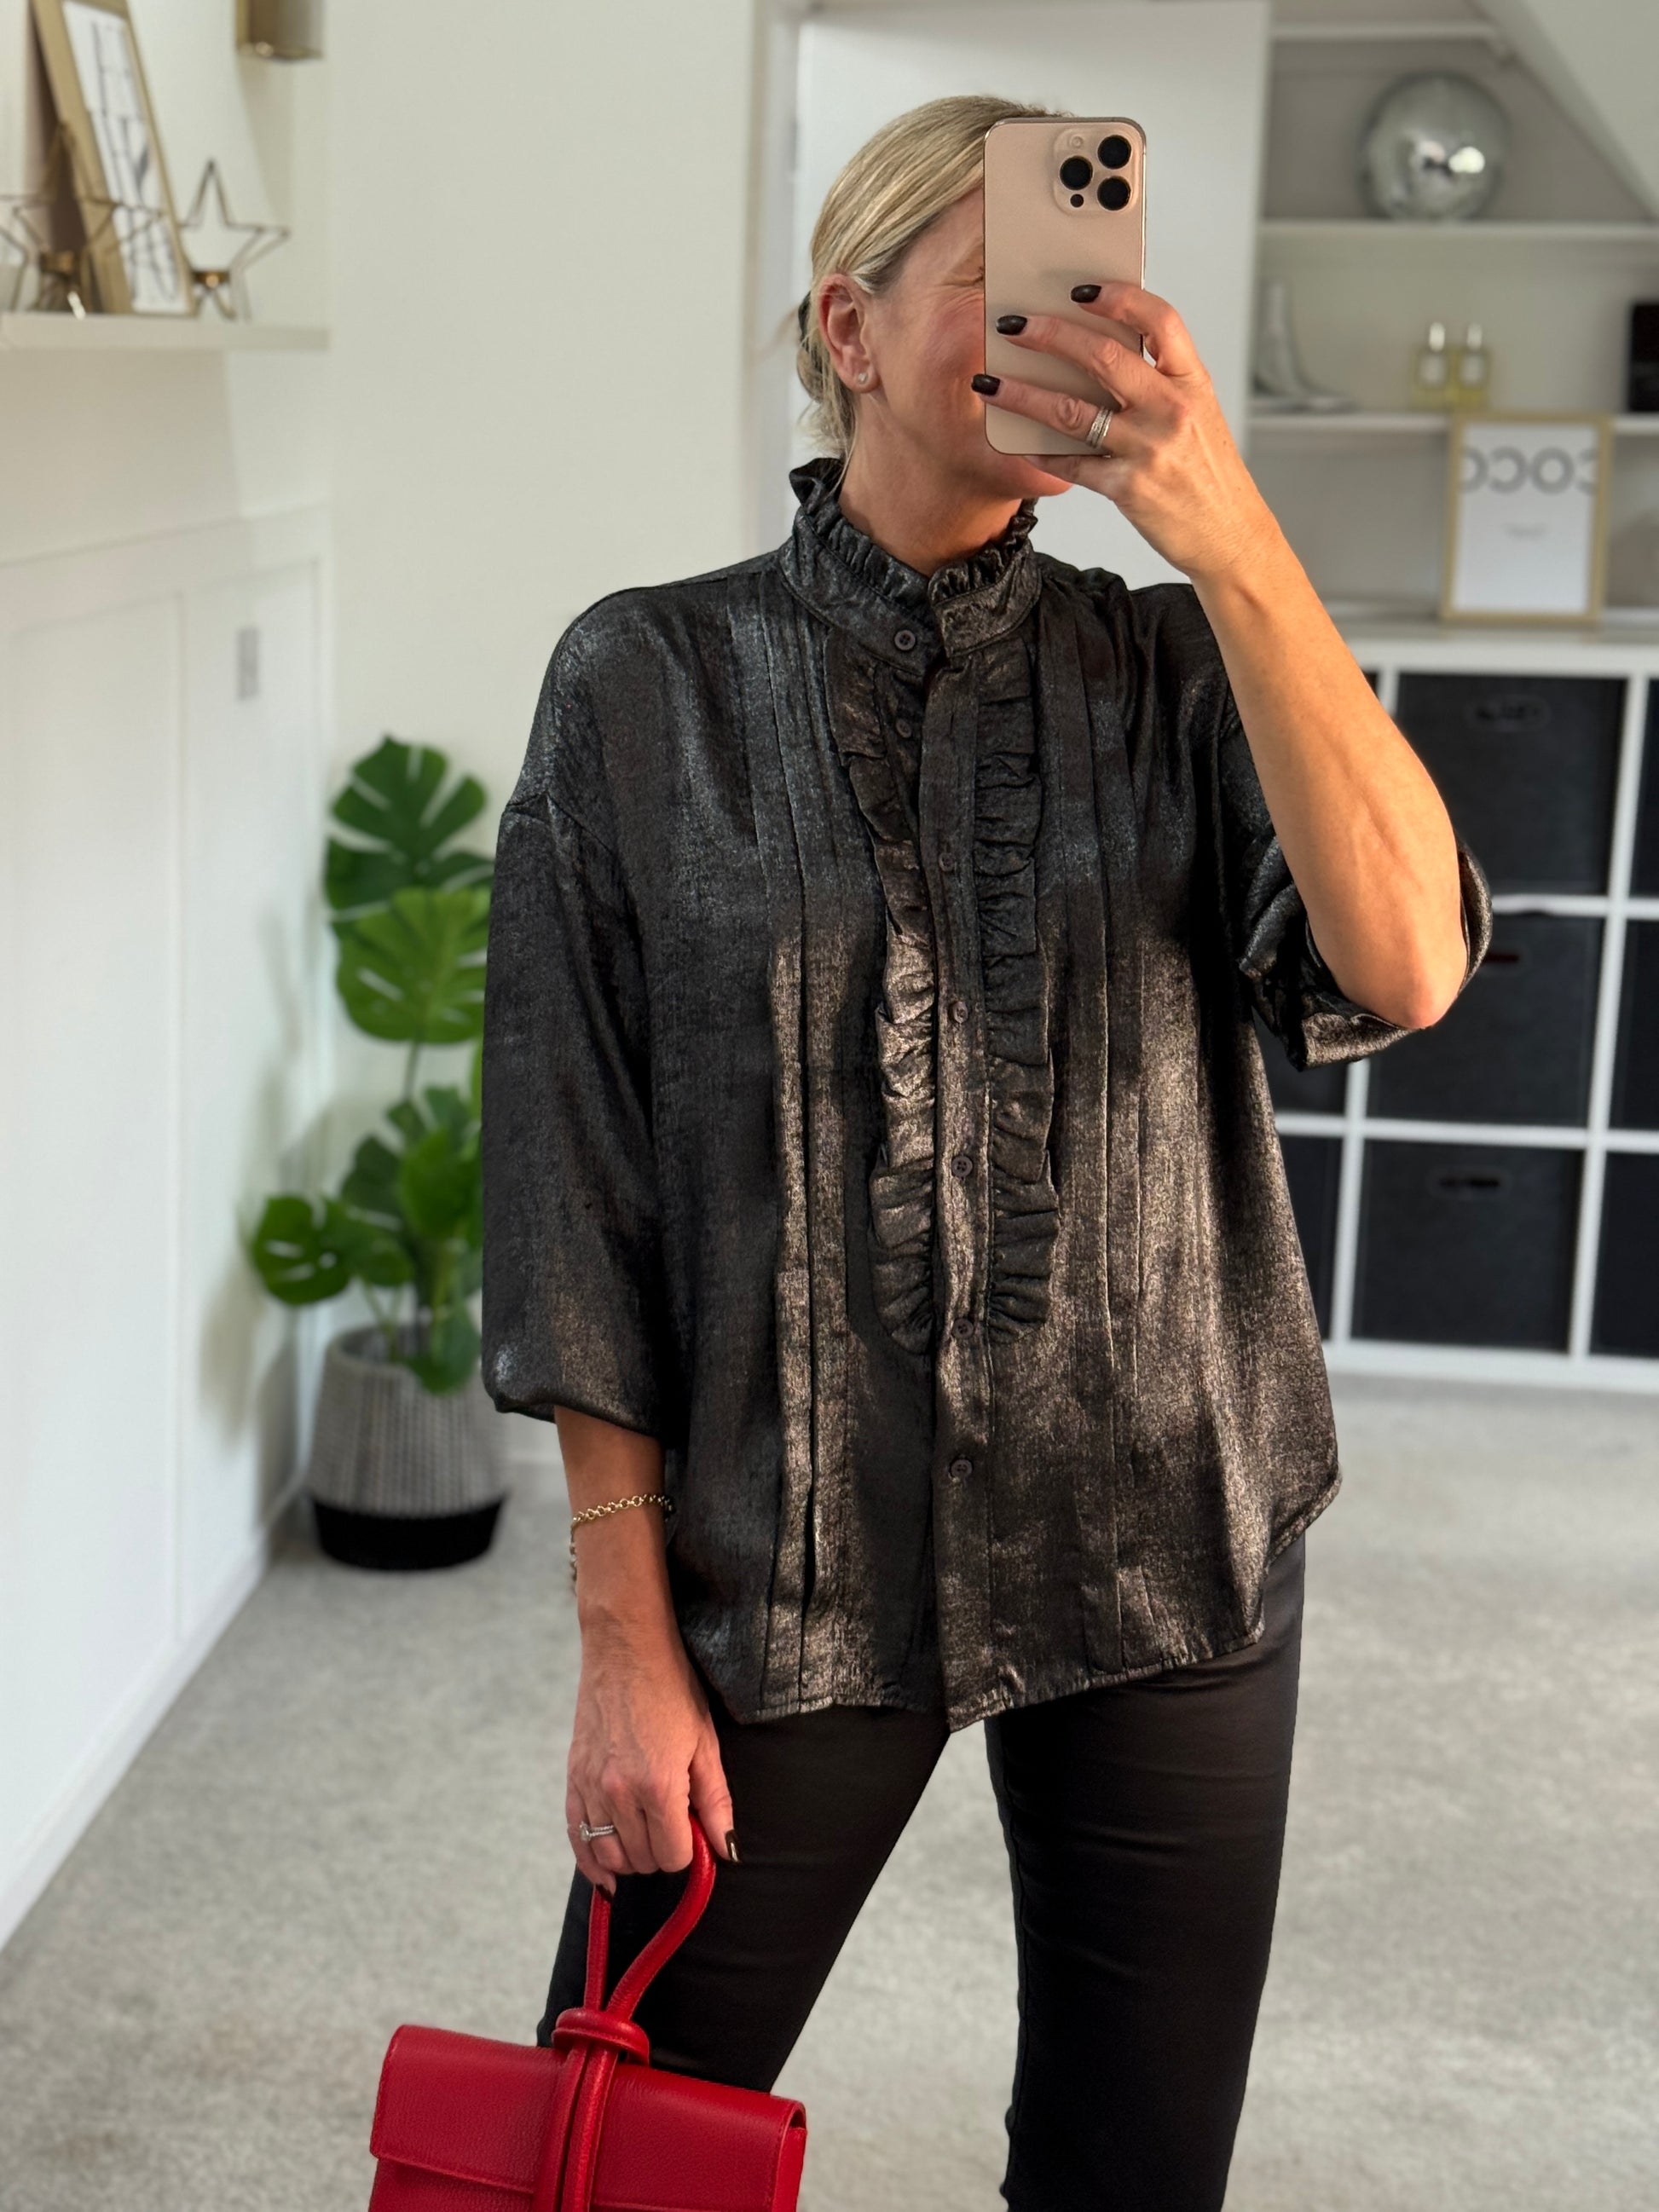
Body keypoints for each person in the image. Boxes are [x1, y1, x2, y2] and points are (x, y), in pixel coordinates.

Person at [480, 92, 1491, 2212]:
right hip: (794, 1545)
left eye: (1091, 282)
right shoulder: (645, 682)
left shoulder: (1181, 664)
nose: (1068, 326)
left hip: (1167, 1529)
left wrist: (1234, 538)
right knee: (603, 2150)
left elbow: (1404, 964)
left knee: (1133, 2175)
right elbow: (573, 1178)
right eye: (1003, 280)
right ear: (847, 328)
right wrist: (622, 1636)